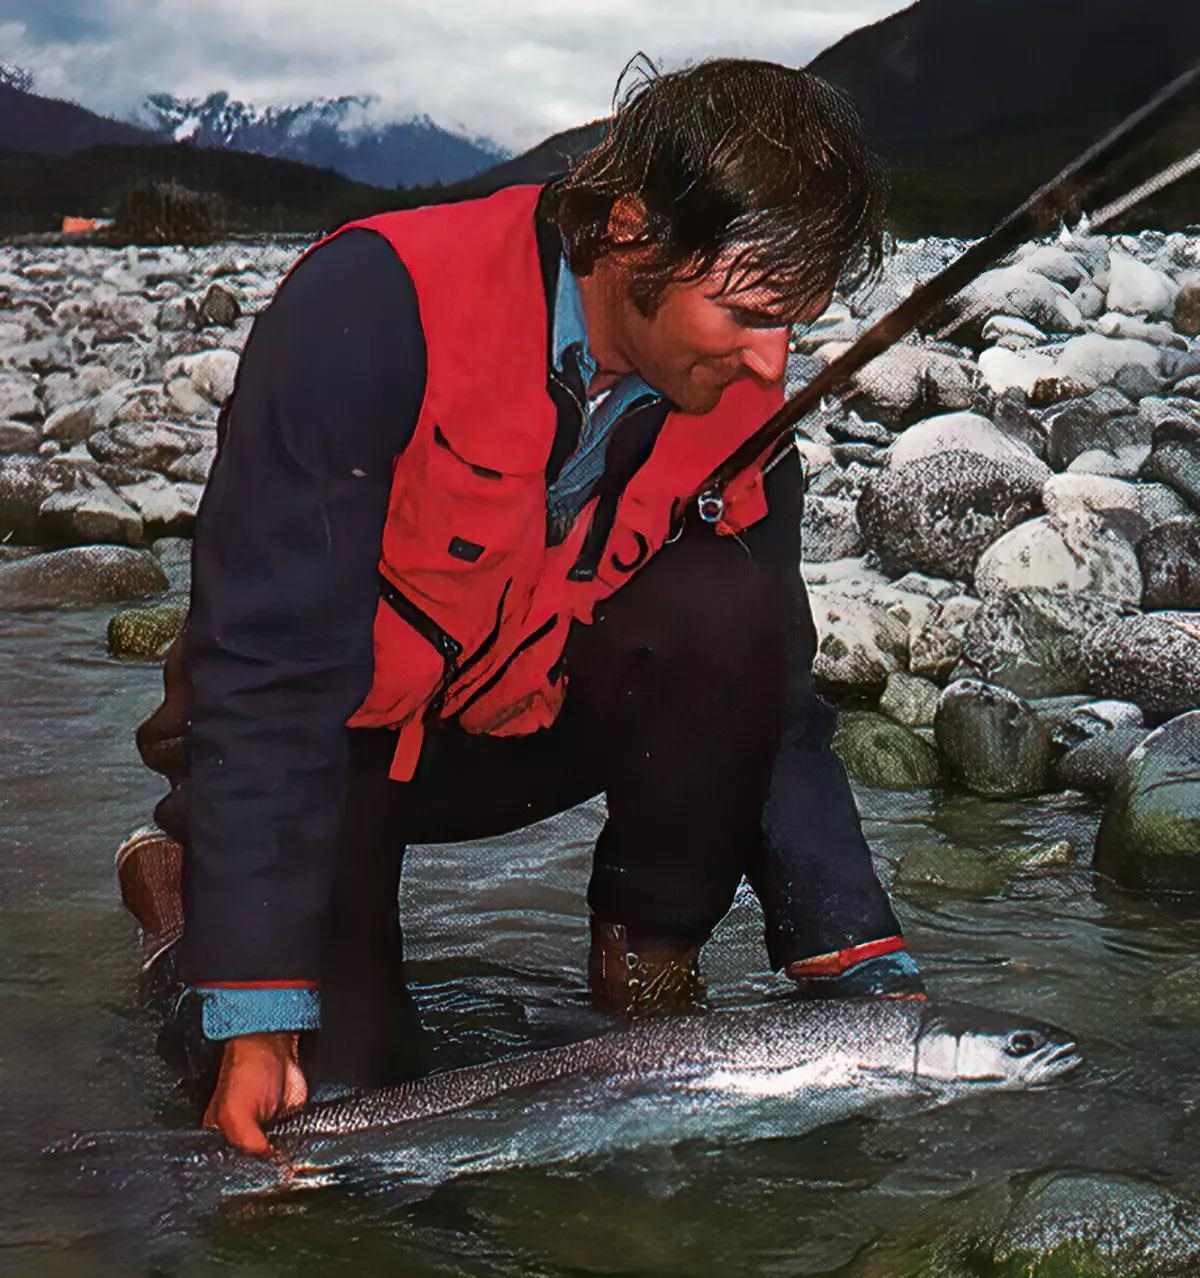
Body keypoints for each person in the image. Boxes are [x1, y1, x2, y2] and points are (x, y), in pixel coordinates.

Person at [119, 56, 924, 1158]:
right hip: (324, 744)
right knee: (338, 1114)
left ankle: (648, 960)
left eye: (797, 321)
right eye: (744, 312)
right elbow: (267, 674)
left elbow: (772, 695)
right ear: (633, 232)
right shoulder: (367, 308)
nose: (771, 360)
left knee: (729, 608)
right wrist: (256, 1011)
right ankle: (181, 906)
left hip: (511, 724)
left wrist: (861, 957)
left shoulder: (735, 398)